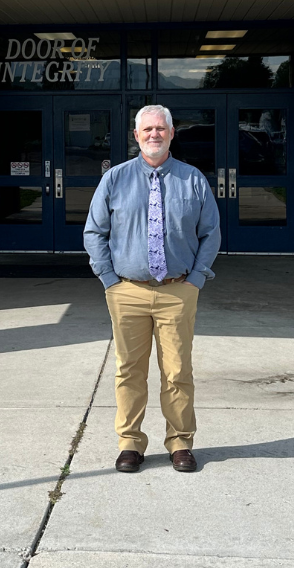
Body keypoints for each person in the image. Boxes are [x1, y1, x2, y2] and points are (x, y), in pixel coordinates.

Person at [84, 105, 221, 473]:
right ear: (136, 135)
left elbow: (211, 234)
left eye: (161, 128)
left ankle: (180, 442)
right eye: (147, 129)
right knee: (129, 370)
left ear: (172, 133)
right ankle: (130, 443)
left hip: (178, 291)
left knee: (177, 372)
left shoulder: (193, 180)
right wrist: (109, 281)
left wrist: (195, 280)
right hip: (127, 291)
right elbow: (94, 233)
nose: (154, 134)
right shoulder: (115, 179)